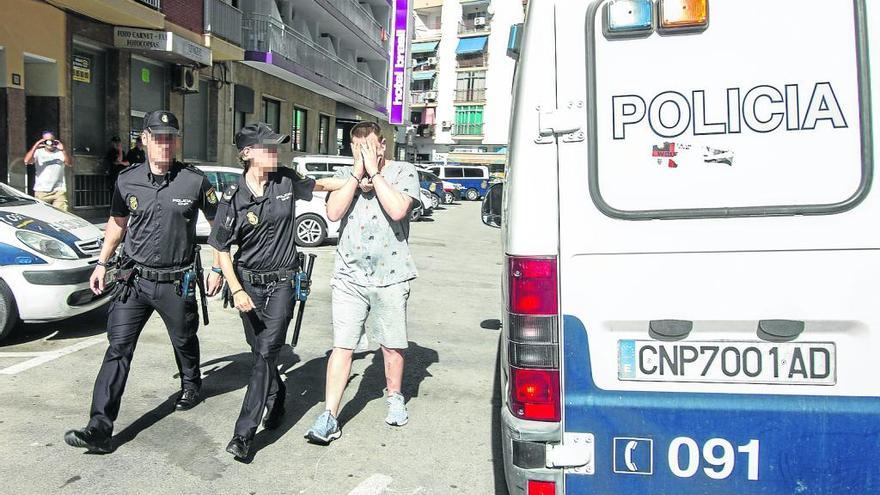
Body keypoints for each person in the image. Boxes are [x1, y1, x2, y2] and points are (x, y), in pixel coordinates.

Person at [63, 110, 224, 453]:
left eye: (171, 137)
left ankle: (192, 384)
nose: (165, 144)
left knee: (184, 339)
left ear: (176, 141)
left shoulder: (194, 181)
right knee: (118, 349)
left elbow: (218, 227)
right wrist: (101, 263)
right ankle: (99, 427)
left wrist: (218, 267)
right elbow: (117, 224)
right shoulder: (127, 180)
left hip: (175, 281)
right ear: (145, 139)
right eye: (158, 137)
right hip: (132, 280)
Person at [209, 122, 341, 459]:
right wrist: (236, 290)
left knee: (267, 352)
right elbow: (221, 249)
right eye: (268, 148)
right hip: (248, 284)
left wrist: (358, 180)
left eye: (276, 147)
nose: (275, 153)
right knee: (259, 353)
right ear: (247, 153)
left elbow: (323, 185)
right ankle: (277, 395)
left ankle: (243, 435)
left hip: (282, 281)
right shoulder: (232, 197)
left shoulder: (285, 179)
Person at [305, 122, 421, 444]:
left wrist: (375, 173)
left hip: (391, 275)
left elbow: (398, 210)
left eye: (368, 147)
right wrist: (357, 175)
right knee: (342, 345)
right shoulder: (350, 176)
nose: (363, 153)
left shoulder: (403, 172)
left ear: (382, 146)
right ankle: (329, 415)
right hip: (349, 276)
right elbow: (332, 212)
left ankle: (394, 396)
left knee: (391, 344)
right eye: (357, 148)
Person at [23, 130, 73, 211]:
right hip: (41, 191)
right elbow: (26, 161)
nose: (49, 143)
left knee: (61, 214)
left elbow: (69, 164)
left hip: (58, 190)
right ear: (43, 141)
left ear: (55, 140)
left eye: (51, 140)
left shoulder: (60, 153)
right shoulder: (38, 152)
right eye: (46, 141)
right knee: (43, 215)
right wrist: (36, 146)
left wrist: (63, 150)